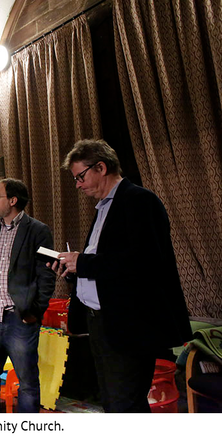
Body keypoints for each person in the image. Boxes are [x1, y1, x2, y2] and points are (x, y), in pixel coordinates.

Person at [52, 139, 192, 412]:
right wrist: (71, 270)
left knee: (125, 405)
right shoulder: (104, 207)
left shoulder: (140, 201)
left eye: (80, 177)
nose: (77, 185)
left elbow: (144, 262)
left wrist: (83, 263)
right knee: (113, 402)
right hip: (100, 322)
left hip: (128, 325)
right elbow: (104, 266)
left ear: (101, 167)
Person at [0, 178, 56, 413]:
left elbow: (46, 274)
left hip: (20, 319)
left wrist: (35, 311)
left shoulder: (38, 230)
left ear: (12, 200)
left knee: (27, 383)